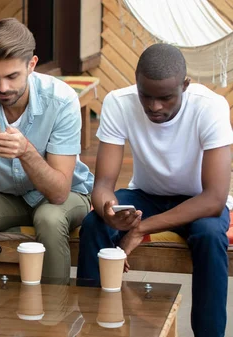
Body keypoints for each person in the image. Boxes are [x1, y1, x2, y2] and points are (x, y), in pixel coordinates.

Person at [76, 43, 232, 337]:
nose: (154, 106)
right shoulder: (119, 103)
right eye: (145, 95)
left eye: (166, 97)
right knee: (94, 224)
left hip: (197, 201)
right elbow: (103, 186)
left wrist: (139, 229)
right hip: (145, 195)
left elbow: (214, 199)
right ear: (135, 81)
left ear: (185, 86)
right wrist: (109, 211)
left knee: (210, 236)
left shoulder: (210, 107)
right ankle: (96, 328)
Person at [0, 18, 94, 282]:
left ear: (31, 65)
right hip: (5, 195)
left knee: (50, 219)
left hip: (65, 195)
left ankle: (55, 313)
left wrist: (26, 152)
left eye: (12, 76)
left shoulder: (62, 100)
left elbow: (58, 192)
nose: (2, 88)